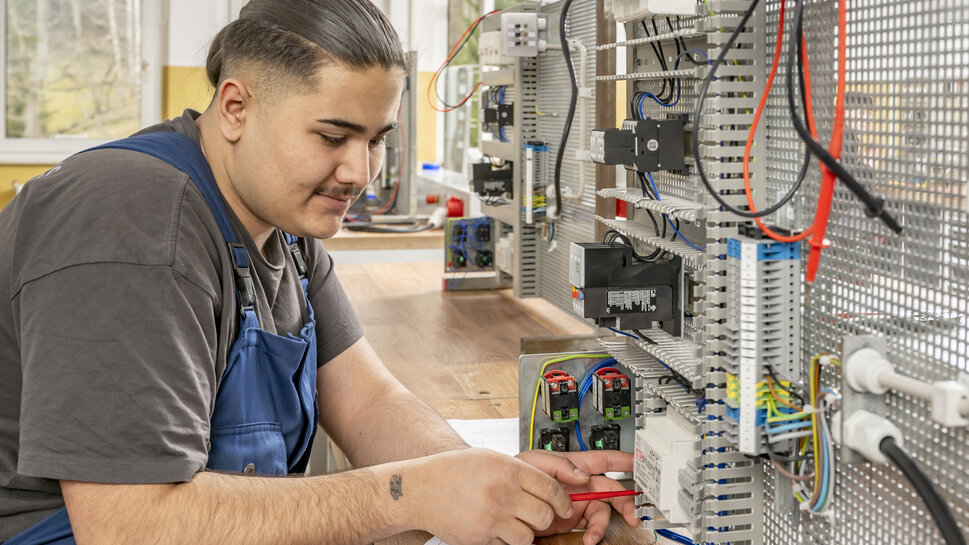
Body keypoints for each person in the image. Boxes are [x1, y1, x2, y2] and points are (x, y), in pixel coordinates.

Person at [0, 1, 639, 544]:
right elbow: (127, 525)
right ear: (235, 108)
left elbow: (371, 401)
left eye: (376, 138)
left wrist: (500, 487)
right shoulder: (134, 221)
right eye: (333, 137)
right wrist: (407, 494)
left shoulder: (282, 223)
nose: (361, 172)